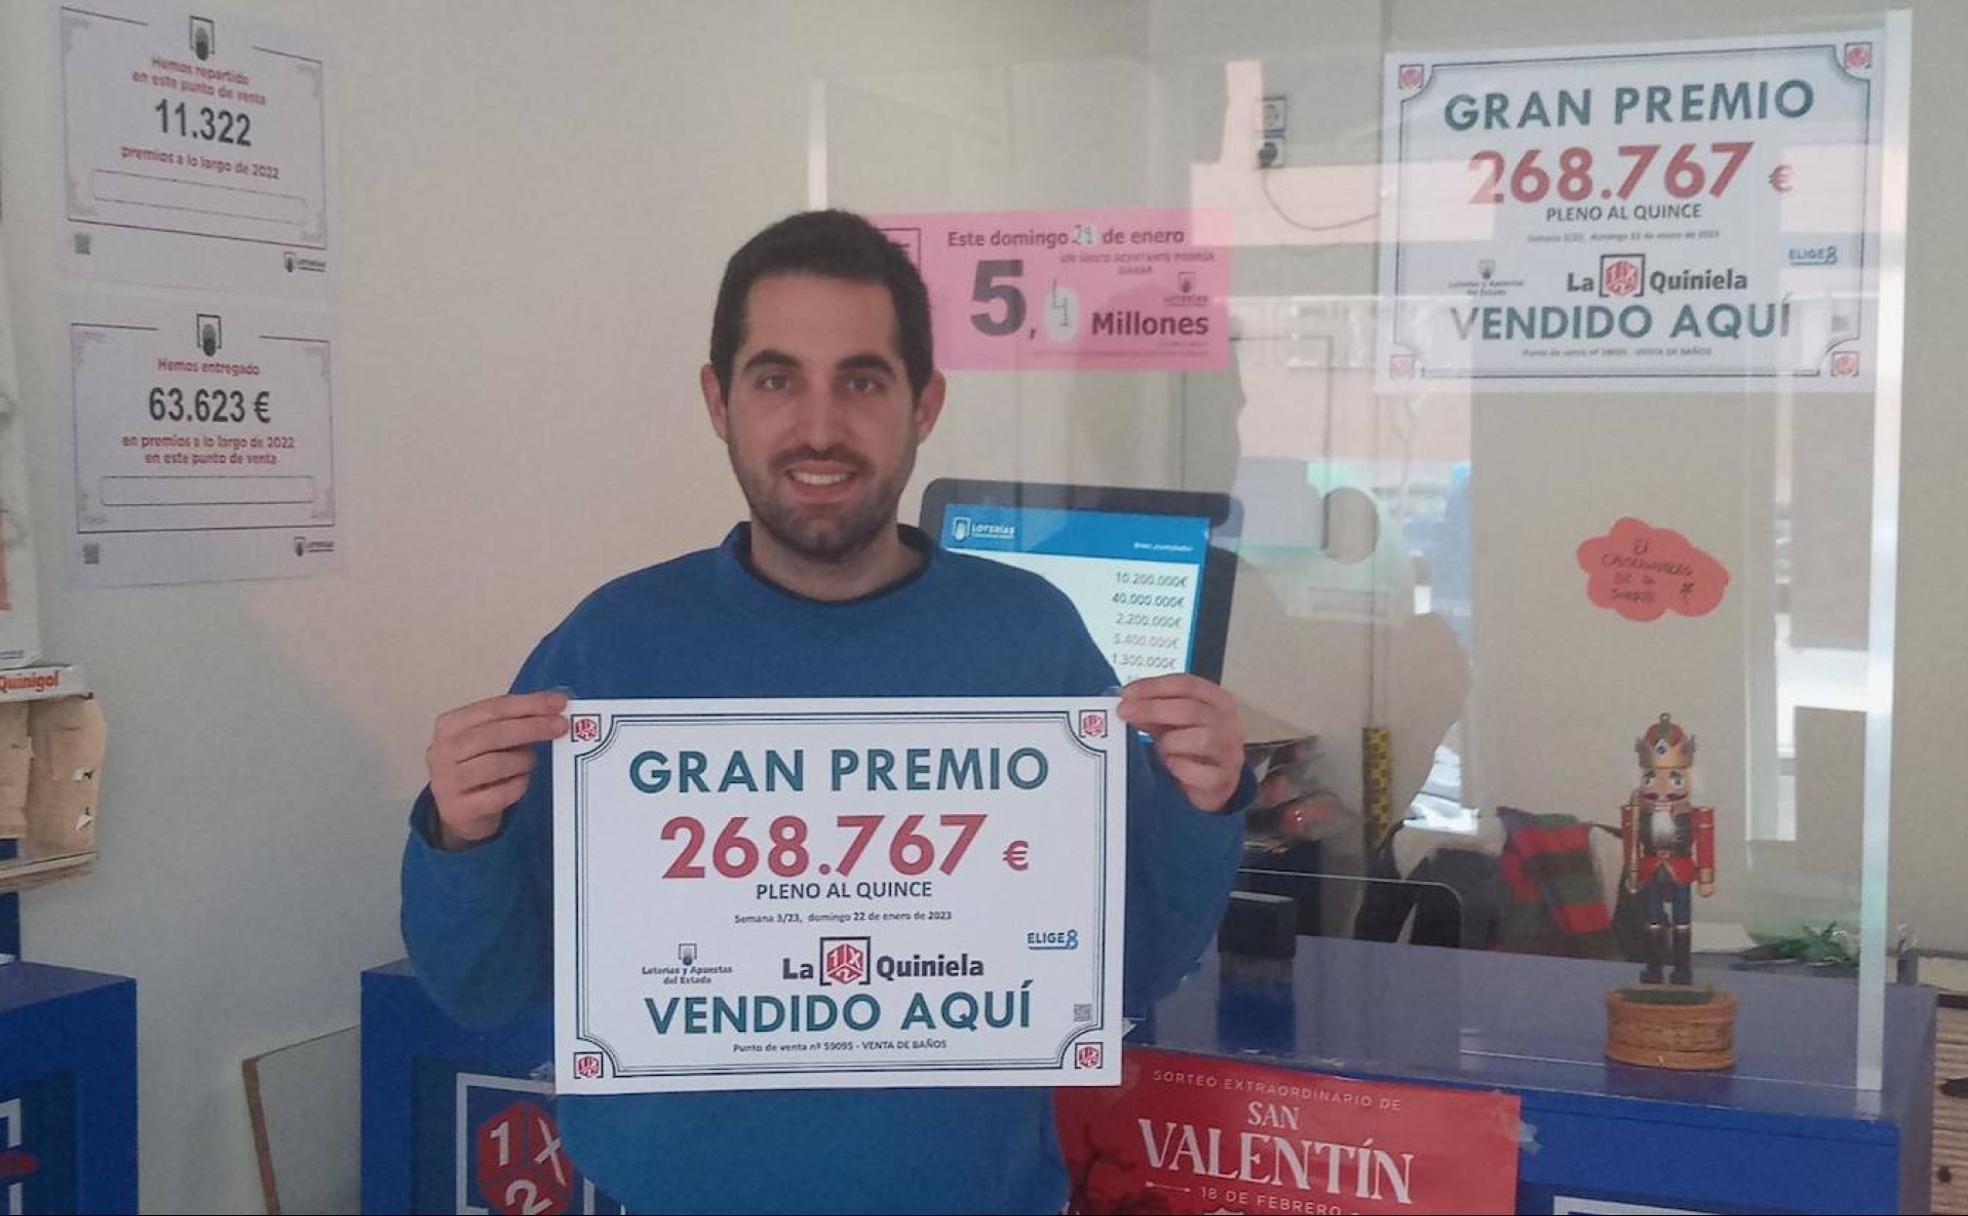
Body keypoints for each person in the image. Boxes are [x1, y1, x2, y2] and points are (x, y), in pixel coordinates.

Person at [401, 209, 1253, 1214]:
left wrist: (1203, 805)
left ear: (924, 403)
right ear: (718, 401)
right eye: (776, 380)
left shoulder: (1029, 638)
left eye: (862, 381)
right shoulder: (612, 648)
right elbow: (484, 988)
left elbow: (1126, 968)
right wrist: (458, 835)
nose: (818, 427)